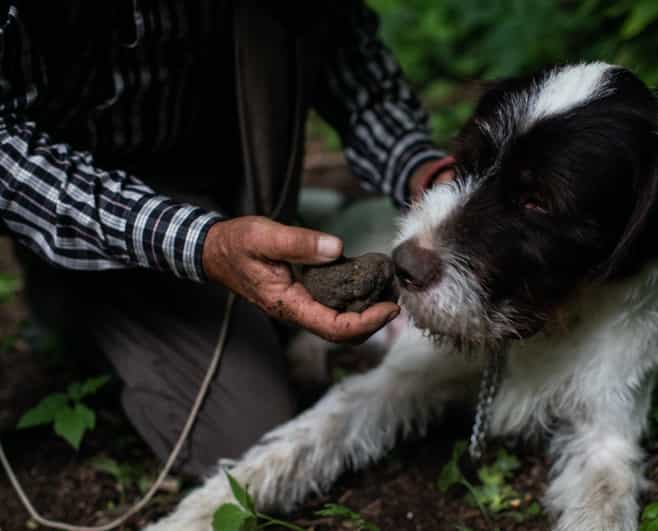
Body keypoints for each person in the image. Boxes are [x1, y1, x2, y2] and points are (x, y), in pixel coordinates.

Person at [0, 0, 453, 477]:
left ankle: (261, 225)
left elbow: (345, 52)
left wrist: (422, 167)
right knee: (242, 439)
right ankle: (72, 285)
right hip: (68, 184)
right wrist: (202, 244)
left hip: (219, 166)